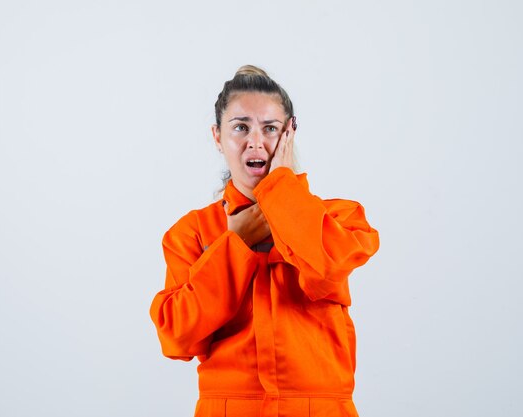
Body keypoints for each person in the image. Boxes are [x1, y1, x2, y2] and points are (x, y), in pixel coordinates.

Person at [150, 65, 380, 417]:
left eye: (270, 129)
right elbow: (178, 337)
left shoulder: (339, 219)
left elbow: (326, 270)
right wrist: (235, 244)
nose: (255, 142)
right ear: (217, 136)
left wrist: (282, 192)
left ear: (289, 134)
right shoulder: (192, 232)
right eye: (240, 127)